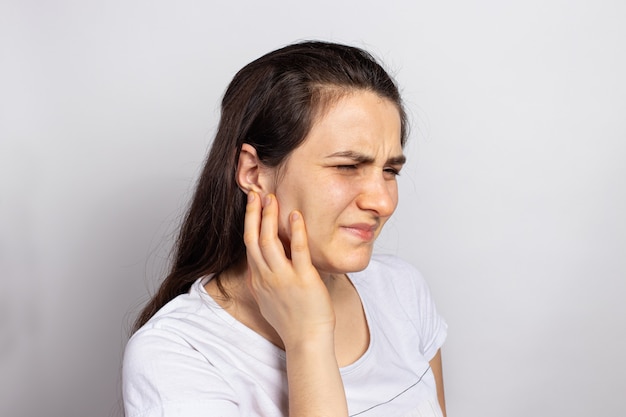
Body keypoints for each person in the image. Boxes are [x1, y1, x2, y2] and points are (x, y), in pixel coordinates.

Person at [123, 40, 447, 417]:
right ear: (253, 172)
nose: (383, 202)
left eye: (390, 171)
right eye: (346, 167)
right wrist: (308, 340)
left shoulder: (403, 291)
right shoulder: (177, 356)